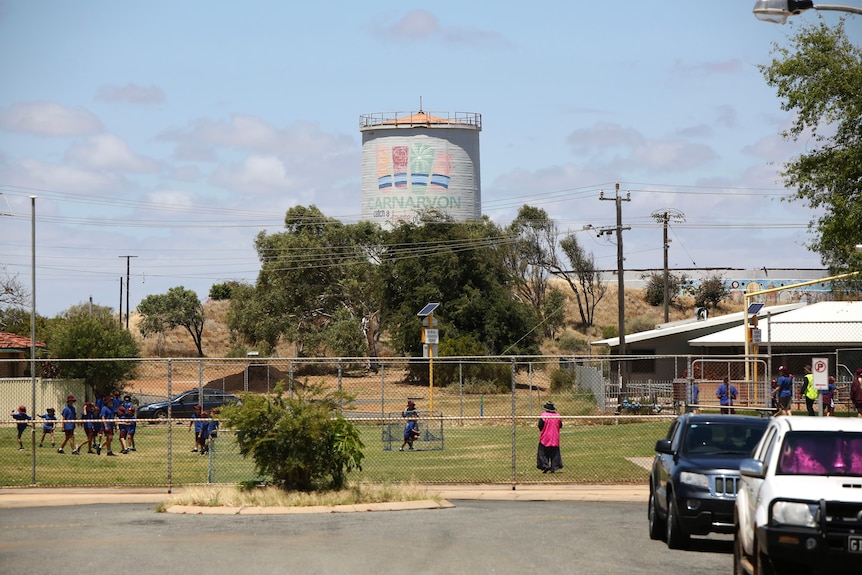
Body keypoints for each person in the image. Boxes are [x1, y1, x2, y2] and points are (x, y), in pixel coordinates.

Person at [536, 401, 563, 473]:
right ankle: (554, 466)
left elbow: (540, 425)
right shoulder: (557, 416)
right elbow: (560, 425)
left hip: (545, 437)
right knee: (554, 453)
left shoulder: (544, 415)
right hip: (555, 437)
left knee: (542, 452)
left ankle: (544, 465)